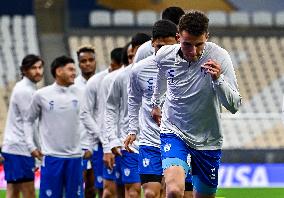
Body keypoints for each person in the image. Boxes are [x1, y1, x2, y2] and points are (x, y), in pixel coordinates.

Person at [151, 11, 241, 198]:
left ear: (206, 37)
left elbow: (234, 106)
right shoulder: (163, 56)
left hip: (208, 139)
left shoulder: (220, 57)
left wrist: (218, 79)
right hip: (174, 130)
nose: (193, 51)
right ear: (178, 37)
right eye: (187, 44)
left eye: (199, 44)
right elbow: (160, 80)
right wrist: (156, 104)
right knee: (175, 190)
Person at [127, 19, 179, 198]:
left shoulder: (187, 68)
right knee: (150, 193)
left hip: (178, 140)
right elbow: (133, 100)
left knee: (172, 191)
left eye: (169, 46)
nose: (164, 51)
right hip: (149, 140)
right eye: (159, 47)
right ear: (152, 44)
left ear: (178, 41)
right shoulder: (139, 69)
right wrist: (132, 130)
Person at [24, 56, 85, 198]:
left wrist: (87, 144)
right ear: (58, 71)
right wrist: (31, 146)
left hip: (75, 157)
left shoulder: (81, 94)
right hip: (52, 158)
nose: (74, 73)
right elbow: (28, 121)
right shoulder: (41, 95)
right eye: (70, 69)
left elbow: (87, 120)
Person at [104, 33, 150, 198]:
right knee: (133, 191)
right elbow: (110, 109)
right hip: (130, 144)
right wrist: (111, 140)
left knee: (155, 192)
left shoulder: (162, 72)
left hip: (156, 143)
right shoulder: (122, 76)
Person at [80, 47, 124, 198]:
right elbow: (84, 113)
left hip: (124, 142)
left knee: (125, 187)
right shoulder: (96, 82)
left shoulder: (130, 77)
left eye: (91, 60)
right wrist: (103, 136)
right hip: (101, 144)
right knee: (103, 189)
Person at [1, 54, 44, 198]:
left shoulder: (26, 88)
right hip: (20, 148)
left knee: (13, 192)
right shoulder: (25, 91)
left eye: (40, 67)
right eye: (33, 68)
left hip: (15, 147)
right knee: (29, 193)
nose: (38, 71)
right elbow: (30, 123)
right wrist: (39, 150)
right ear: (24, 70)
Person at [74, 46, 96, 198]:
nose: (87, 63)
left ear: (95, 61)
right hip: (78, 145)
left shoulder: (103, 82)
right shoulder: (72, 86)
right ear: (78, 64)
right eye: (83, 61)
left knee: (93, 189)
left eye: (90, 60)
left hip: (98, 145)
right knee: (77, 189)